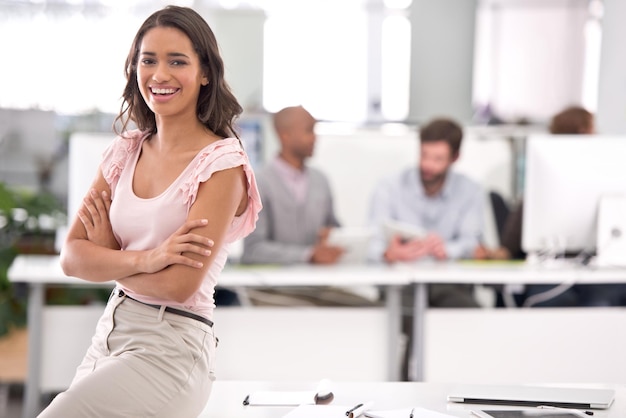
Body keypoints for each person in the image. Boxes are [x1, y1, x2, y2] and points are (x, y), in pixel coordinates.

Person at [38, 6, 261, 417]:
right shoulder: (125, 151)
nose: (160, 74)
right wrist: (150, 258)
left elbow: (179, 286)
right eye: (148, 60)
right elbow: (72, 258)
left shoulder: (222, 165)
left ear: (206, 72)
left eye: (177, 61)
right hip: (110, 331)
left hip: (171, 346)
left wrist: (105, 256)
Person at [240, 106, 376, 306]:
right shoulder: (260, 183)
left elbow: (335, 228)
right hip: (274, 292)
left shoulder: (320, 180)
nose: (315, 138)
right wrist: (308, 254)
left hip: (318, 287)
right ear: (285, 135)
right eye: (309, 130)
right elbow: (252, 251)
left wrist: (333, 238)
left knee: (370, 309)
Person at [368, 117, 484, 307]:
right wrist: (388, 253)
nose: (427, 165)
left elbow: (472, 243)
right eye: (424, 155)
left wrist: (446, 249)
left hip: (450, 286)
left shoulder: (470, 191)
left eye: (438, 159)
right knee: (399, 315)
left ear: (455, 158)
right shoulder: (389, 187)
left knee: (466, 314)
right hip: (401, 286)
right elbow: (371, 241)